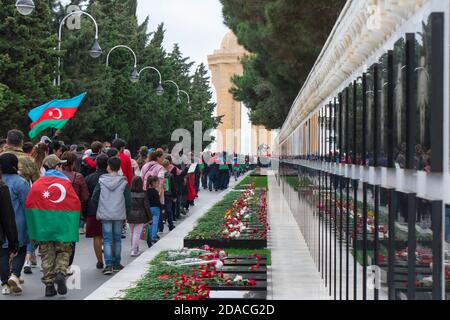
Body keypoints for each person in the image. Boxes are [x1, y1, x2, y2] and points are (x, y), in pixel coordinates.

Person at [25, 155, 81, 297]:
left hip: (44, 226)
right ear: (57, 167)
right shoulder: (65, 183)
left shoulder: (37, 184)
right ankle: (61, 272)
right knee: (63, 251)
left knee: (46, 254)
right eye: (59, 165)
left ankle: (49, 286)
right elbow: (75, 203)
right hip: (62, 225)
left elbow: (29, 204)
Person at [92, 157, 131, 275]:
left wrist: (100, 207)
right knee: (117, 239)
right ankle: (117, 263)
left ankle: (108, 265)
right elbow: (128, 200)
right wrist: (127, 214)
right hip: (119, 213)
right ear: (119, 167)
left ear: (108, 166)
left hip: (105, 213)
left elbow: (94, 197)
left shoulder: (101, 180)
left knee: (107, 239)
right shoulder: (123, 181)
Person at [0, 154, 25, 295]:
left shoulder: (2, 181)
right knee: (20, 249)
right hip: (18, 221)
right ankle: (15, 274)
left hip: (1, 226)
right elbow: (27, 204)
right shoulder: (21, 183)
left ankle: (4, 282)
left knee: (2, 253)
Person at [61, 151, 89, 267]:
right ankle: (67, 264)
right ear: (73, 163)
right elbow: (85, 196)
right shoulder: (78, 177)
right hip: (73, 212)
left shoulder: (56, 175)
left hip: (56, 211)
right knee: (71, 238)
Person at [84, 154, 108, 269]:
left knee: (97, 236)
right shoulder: (111, 177)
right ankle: (110, 260)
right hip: (109, 209)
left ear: (96, 164)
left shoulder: (89, 178)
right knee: (109, 236)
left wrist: (84, 213)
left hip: (93, 210)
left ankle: (99, 260)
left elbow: (85, 196)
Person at [128, 176, 151, 256]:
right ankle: (134, 250)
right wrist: (149, 218)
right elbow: (147, 207)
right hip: (141, 215)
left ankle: (134, 249)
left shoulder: (128, 193)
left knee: (132, 232)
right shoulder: (143, 194)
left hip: (130, 215)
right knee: (137, 233)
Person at [146, 176, 162, 246]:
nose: (158, 184)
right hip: (156, 209)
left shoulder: (146, 191)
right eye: (157, 183)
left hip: (149, 209)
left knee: (150, 223)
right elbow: (158, 201)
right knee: (155, 223)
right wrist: (162, 208)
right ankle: (153, 237)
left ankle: (149, 236)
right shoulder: (155, 192)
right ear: (154, 183)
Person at [161, 160, 175, 231]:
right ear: (167, 166)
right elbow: (173, 187)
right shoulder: (170, 175)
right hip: (168, 195)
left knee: (161, 210)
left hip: (161, 194)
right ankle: (171, 225)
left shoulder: (159, 174)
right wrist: (174, 196)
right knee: (169, 210)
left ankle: (160, 228)